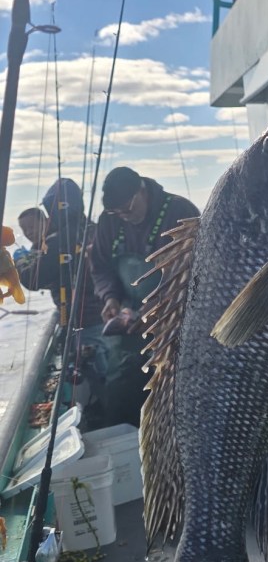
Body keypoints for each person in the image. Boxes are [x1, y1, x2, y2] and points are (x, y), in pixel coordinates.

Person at [90, 166, 199, 427]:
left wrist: (157, 311)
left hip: (178, 319)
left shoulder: (181, 212)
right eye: (117, 213)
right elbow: (101, 267)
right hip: (131, 319)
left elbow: (198, 275)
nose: (124, 217)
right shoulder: (109, 221)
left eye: (128, 209)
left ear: (142, 189)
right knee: (121, 385)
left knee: (176, 392)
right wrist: (110, 298)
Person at [16, 180, 109, 427]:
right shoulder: (94, 229)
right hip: (106, 315)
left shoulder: (58, 242)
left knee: (96, 377)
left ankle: (101, 417)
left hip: (84, 323)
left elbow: (32, 279)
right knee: (107, 371)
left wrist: (20, 260)